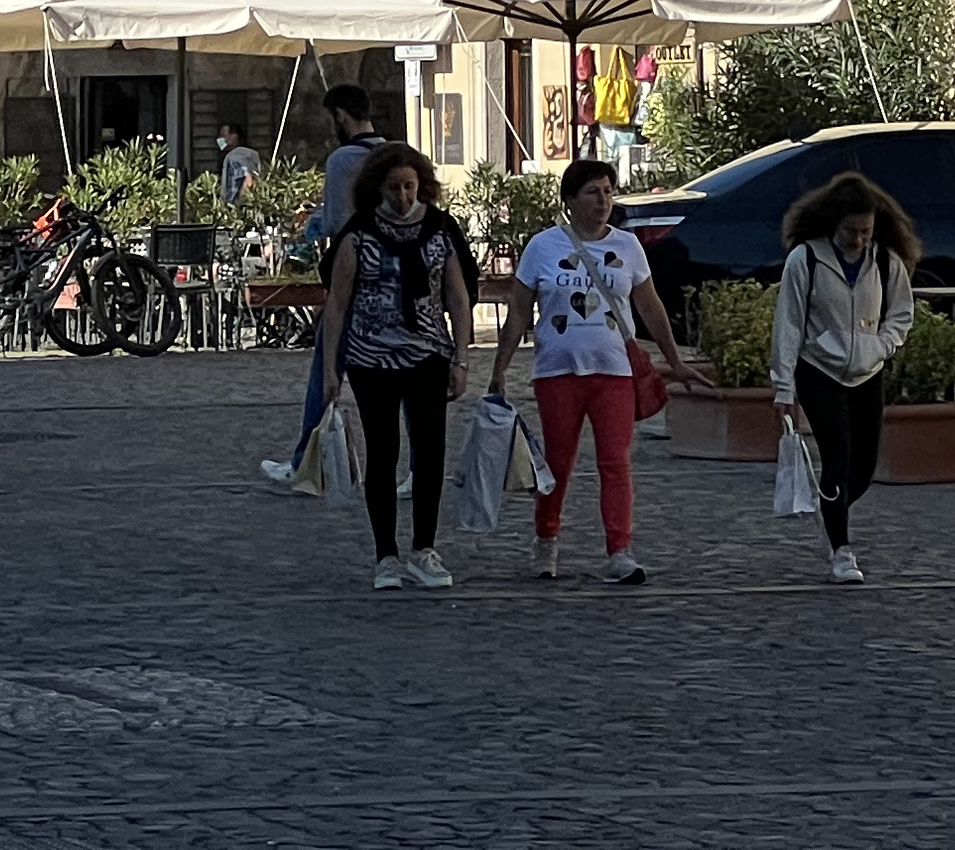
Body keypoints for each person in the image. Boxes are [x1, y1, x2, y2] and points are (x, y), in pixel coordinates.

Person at [490, 156, 709, 584]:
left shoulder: (627, 247)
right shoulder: (543, 246)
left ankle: (620, 550)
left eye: (608, 191)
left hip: (614, 372)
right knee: (559, 461)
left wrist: (675, 359)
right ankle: (546, 538)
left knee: (615, 461)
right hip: (557, 371)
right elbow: (517, 312)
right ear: (571, 199)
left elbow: (650, 306)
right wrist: (500, 368)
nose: (603, 200)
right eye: (593, 192)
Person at [314, 141, 478, 590]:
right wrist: (332, 369)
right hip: (372, 357)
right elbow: (338, 304)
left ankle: (425, 548)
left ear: (422, 184)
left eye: (409, 186)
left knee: (429, 453)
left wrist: (461, 358)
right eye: (394, 188)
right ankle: (385, 554)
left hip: (427, 352)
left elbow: (458, 296)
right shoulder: (359, 233)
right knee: (382, 453)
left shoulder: (441, 229)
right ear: (377, 188)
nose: (403, 196)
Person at [773, 170, 922, 585]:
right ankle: (842, 549)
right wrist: (784, 387)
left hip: (867, 372)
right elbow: (787, 324)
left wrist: (882, 345)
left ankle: (831, 510)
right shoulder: (805, 259)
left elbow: (901, 314)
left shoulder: (887, 262)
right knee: (836, 460)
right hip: (818, 370)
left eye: (865, 231)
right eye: (850, 231)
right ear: (832, 224)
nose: (858, 240)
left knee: (863, 467)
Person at [261, 87, 383, 486]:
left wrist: (315, 221)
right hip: (391, 281)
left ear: (341, 117)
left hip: (350, 277)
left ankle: (305, 462)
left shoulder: (342, 160)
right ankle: (412, 467)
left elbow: (334, 224)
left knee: (325, 368)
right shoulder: (393, 154)